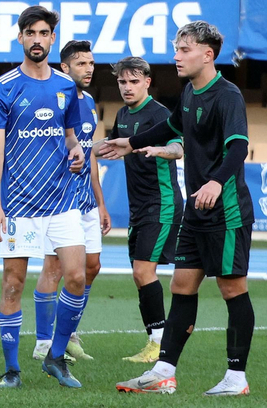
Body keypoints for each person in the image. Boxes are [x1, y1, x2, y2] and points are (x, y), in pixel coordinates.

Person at [108, 21, 254, 397]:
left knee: (232, 287)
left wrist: (216, 181)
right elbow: (172, 126)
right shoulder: (189, 91)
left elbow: (238, 147)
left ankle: (236, 378)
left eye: (184, 49)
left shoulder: (228, 95)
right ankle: (163, 372)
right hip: (196, 211)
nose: (176, 55)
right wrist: (130, 141)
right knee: (182, 284)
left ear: (207, 54)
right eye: (176, 47)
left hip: (226, 209)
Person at [0, 5, 88, 390]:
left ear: (52, 39)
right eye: (30, 33)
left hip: (62, 202)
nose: (37, 39)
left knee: (76, 277)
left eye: (44, 33)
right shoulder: (4, 87)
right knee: (13, 283)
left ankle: (56, 356)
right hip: (19, 206)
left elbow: (70, 138)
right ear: (20, 37)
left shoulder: (66, 86)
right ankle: (12, 370)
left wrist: (76, 151)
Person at [31, 40, 109, 366]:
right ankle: (42, 341)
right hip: (59, 198)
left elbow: (89, 153)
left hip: (86, 200)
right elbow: (37, 148)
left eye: (91, 63)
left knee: (92, 267)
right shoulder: (51, 99)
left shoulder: (89, 101)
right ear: (65, 67)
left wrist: (101, 202)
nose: (88, 69)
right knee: (54, 267)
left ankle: (69, 331)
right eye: (81, 64)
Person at [101, 56, 182, 363]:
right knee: (140, 275)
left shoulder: (160, 114)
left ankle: (158, 344)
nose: (127, 87)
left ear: (147, 82)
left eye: (134, 81)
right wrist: (80, 150)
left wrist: (160, 149)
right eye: (122, 82)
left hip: (161, 204)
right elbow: (110, 147)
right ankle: (155, 340)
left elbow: (178, 147)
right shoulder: (122, 114)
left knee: (142, 271)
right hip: (139, 207)